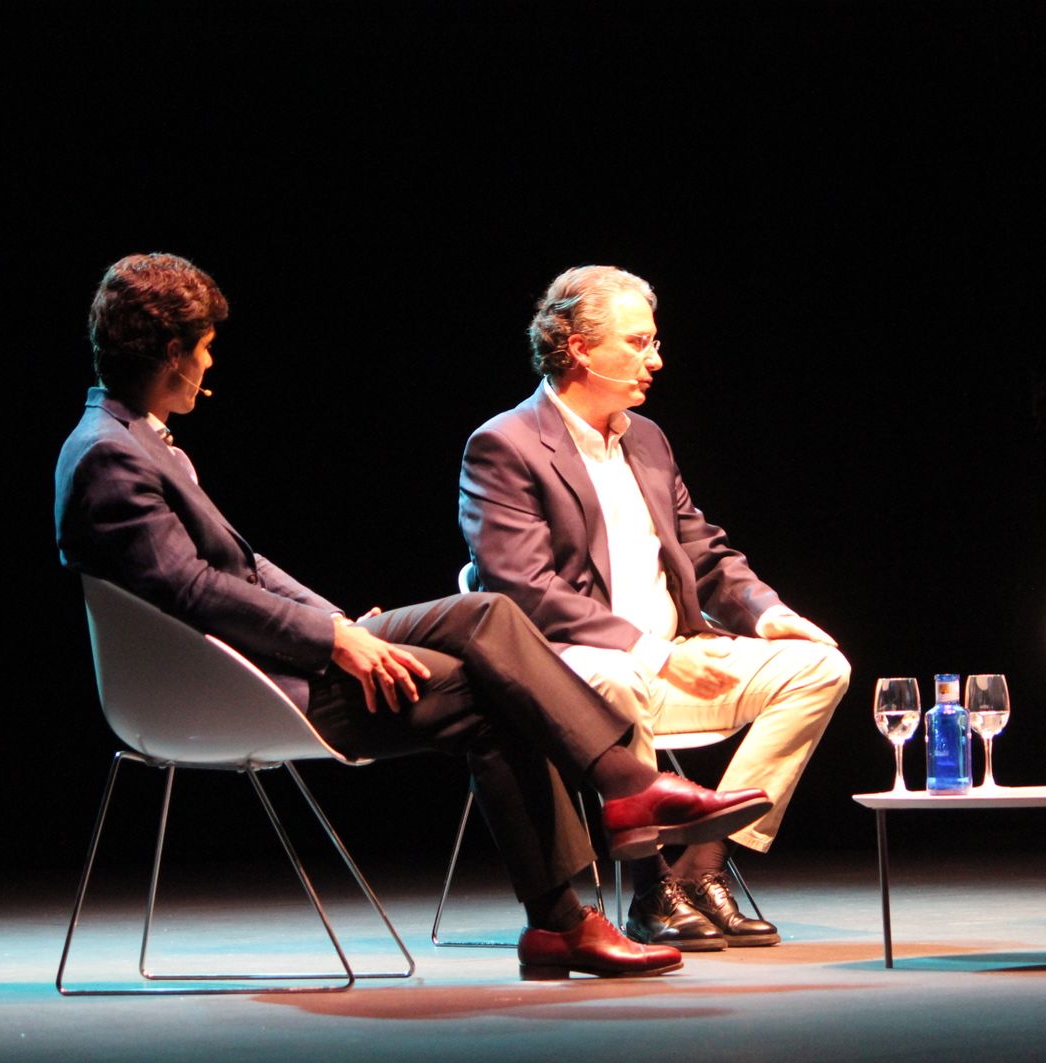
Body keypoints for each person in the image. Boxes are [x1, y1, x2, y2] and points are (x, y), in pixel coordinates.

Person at [55, 253, 774, 981]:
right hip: (236, 689)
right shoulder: (108, 458)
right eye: (205, 345)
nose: (210, 364)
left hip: (280, 654)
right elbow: (195, 591)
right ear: (173, 352)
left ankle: (579, 885)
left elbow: (245, 569)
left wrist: (339, 624)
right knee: (488, 658)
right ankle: (604, 827)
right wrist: (332, 638)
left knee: (487, 634)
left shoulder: (132, 440)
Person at [459, 265, 850, 951]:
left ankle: (703, 867)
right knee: (619, 677)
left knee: (819, 666)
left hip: (673, 661)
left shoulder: (647, 439)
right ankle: (648, 889)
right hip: (575, 678)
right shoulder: (506, 445)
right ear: (580, 347)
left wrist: (766, 612)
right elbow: (521, 590)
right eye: (639, 342)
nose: (656, 358)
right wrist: (653, 651)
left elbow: (702, 547)